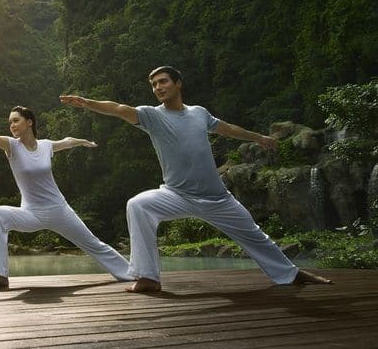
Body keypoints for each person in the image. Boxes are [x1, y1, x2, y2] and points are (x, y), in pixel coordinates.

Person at [60, 65, 333, 292]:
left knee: (256, 237)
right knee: (138, 204)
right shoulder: (152, 116)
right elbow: (119, 108)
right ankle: (148, 277)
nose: (158, 88)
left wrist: (258, 137)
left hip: (217, 198)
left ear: (178, 83)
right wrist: (87, 103)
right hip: (176, 194)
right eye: (154, 84)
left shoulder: (199, 113)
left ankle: (292, 274)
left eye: (163, 81)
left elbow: (227, 128)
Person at [0, 106, 131, 288]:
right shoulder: (11, 147)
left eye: (16, 120)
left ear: (29, 122)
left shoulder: (46, 146)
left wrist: (82, 141)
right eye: (10, 122)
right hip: (31, 213)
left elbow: (66, 142)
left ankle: (132, 274)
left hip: (59, 210)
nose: (12, 125)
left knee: (93, 244)